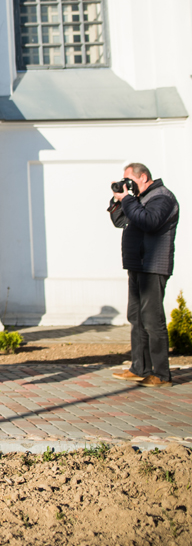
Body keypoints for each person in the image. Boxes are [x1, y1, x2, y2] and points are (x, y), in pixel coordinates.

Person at [108, 163, 180, 388]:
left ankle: (161, 374)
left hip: (153, 266)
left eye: (129, 179)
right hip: (137, 265)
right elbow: (120, 221)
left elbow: (149, 222)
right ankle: (140, 368)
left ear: (144, 177)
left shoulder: (162, 197)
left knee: (152, 319)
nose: (127, 184)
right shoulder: (138, 198)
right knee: (136, 317)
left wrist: (128, 199)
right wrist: (119, 200)